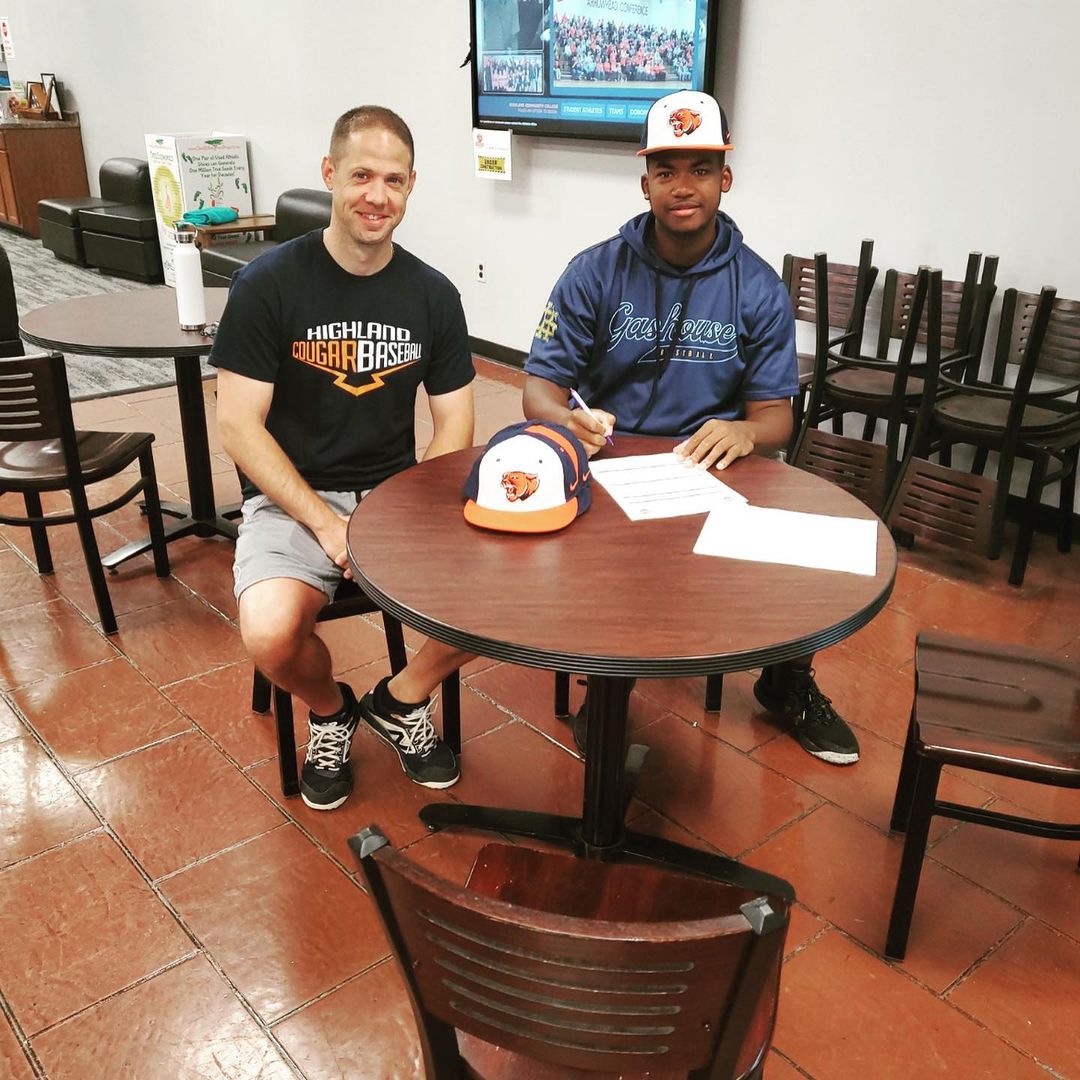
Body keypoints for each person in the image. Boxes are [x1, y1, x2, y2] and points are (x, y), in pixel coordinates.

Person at [522, 90, 860, 765]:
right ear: (644, 181)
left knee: (804, 548)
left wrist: (746, 433)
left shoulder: (757, 286)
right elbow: (538, 390)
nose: (683, 187)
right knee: (601, 560)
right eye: (667, 170)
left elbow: (777, 418)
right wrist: (567, 419)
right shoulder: (593, 271)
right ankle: (606, 690)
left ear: (725, 179)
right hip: (611, 465)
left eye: (701, 169)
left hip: (709, 469)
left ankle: (786, 682)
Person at [211, 106, 476, 811]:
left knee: (506, 598)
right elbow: (238, 427)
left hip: (397, 495)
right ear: (329, 174)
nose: (376, 196)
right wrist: (328, 526)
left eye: (394, 180)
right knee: (271, 633)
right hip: (295, 499)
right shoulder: (267, 285)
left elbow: (455, 422)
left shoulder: (433, 294)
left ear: (412, 185)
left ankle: (400, 700)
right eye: (361, 176)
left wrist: (405, 512)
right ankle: (332, 712)